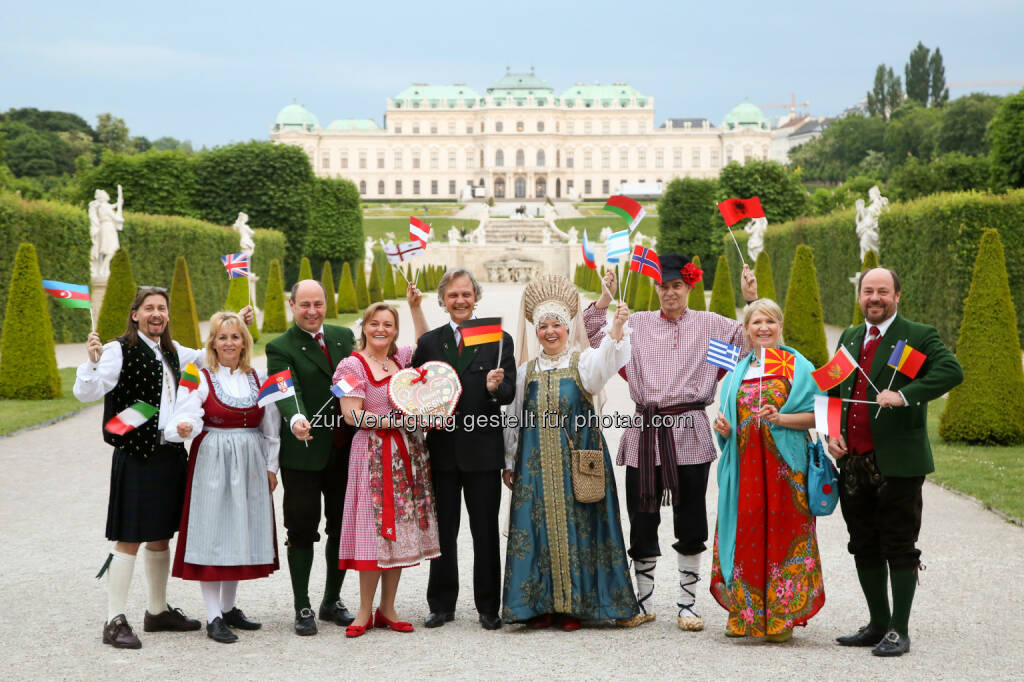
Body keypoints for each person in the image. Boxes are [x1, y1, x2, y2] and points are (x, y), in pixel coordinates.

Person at [74, 288, 253, 649]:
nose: (157, 313)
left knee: (160, 535)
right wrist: (92, 362)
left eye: (162, 308)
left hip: (170, 455)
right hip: (137, 455)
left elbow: (212, 353)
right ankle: (113, 620)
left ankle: (157, 611)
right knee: (129, 537)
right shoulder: (116, 350)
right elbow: (87, 392)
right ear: (135, 313)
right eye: (149, 308)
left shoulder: (173, 351)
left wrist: (236, 323)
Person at [586, 254, 757, 631]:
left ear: (689, 287)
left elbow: (751, 345)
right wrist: (605, 299)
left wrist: (751, 300)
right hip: (645, 429)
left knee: (691, 516)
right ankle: (643, 602)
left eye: (676, 285)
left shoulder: (711, 326)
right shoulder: (637, 323)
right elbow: (590, 334)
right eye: (663, 286)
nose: (669, 293)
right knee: (642, 517)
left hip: (690, 427)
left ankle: (687, 605)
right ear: (656, 288)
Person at [828, 268, 962, 657]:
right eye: (868, 291)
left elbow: (951, 371)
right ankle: (877, 624)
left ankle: (899, 630)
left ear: (897, 296)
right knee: (863, 545)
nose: (874, 297)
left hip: (897, 464)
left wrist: (904, 396)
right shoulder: (851, 337)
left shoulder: (917, 336)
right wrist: (832, 432)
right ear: (859, 297)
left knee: (899, 545)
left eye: (882, 291)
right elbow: (836, 390)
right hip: (852, 463)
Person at [501, 275, 637, 630]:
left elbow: (608, 361)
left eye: (557, 324)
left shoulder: (583, 363)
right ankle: (540, 604)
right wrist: (509, 461)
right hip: (535, 467)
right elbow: (513, 419)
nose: (549, 331)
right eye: (543, 325)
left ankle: (576, 605)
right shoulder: (523, 373)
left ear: (567, 327)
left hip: (578, 464)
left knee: (582, 528)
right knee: (537, 530)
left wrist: (617, 328)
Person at [710, 299, 824, 642]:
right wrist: (725, 430)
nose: (763, 328)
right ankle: (744, 614)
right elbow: (727, 419)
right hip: (745, 471)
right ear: (746, 329)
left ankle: (780, 618)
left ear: (780, 325)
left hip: (785, 473)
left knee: (783, 538)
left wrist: (782, 418)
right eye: (756, 322)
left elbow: (822, 415)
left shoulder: (796, 365)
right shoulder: (737, 371)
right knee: (745, 535)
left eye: (770, 322)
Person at [164, 312, 280, 643]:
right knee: (214, 533)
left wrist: (271, 467)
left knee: (239, 531)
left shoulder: (260, 376)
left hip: (250, 461)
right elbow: (183, 414)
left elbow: (271, 428)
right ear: (212, 342)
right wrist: (185, 427)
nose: (229, 343)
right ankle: (213, 616)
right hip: (214, 458)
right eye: (222, 337)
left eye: (235, 336)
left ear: (245, 341)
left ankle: (229, 609)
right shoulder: (196, 375)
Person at [412, 267, 516, 630]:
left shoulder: (497, 337)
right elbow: (414, 395)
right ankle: (441, 604)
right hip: (441, 453)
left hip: (483, 452)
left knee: (485, 531)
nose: (460, 301)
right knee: (444, 533)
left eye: (466, 294)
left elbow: (509, 394)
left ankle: (489, 606)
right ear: (442, 300)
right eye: (453, 295)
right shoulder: (429, 343)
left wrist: (493, 387)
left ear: (476, 298)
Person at [334, 292, 438, 637]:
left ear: (395, 331)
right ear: (364, 327)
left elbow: (427, 342)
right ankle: (363, 611)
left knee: (400, 531)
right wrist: (391, 421)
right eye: (374, 323)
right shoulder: (351, 365)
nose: (381, 329)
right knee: (372, 532)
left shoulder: (403, 360)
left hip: (407, 455)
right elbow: (351, 414)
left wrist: (414, 307)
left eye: (388, 325)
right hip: (372, 456)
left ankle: (388, 608)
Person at [265, 280, 356, 636]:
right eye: (305, 304)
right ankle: (302, 604)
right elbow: (287, 389)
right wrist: (296, 418)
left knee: (340, 526)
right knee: (301, 529)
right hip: (303, 451)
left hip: (344, 449)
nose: (313, 310)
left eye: (318, 303)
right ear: (292, 305)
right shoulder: (280, 346)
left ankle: (331, 600)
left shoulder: (343, 336)